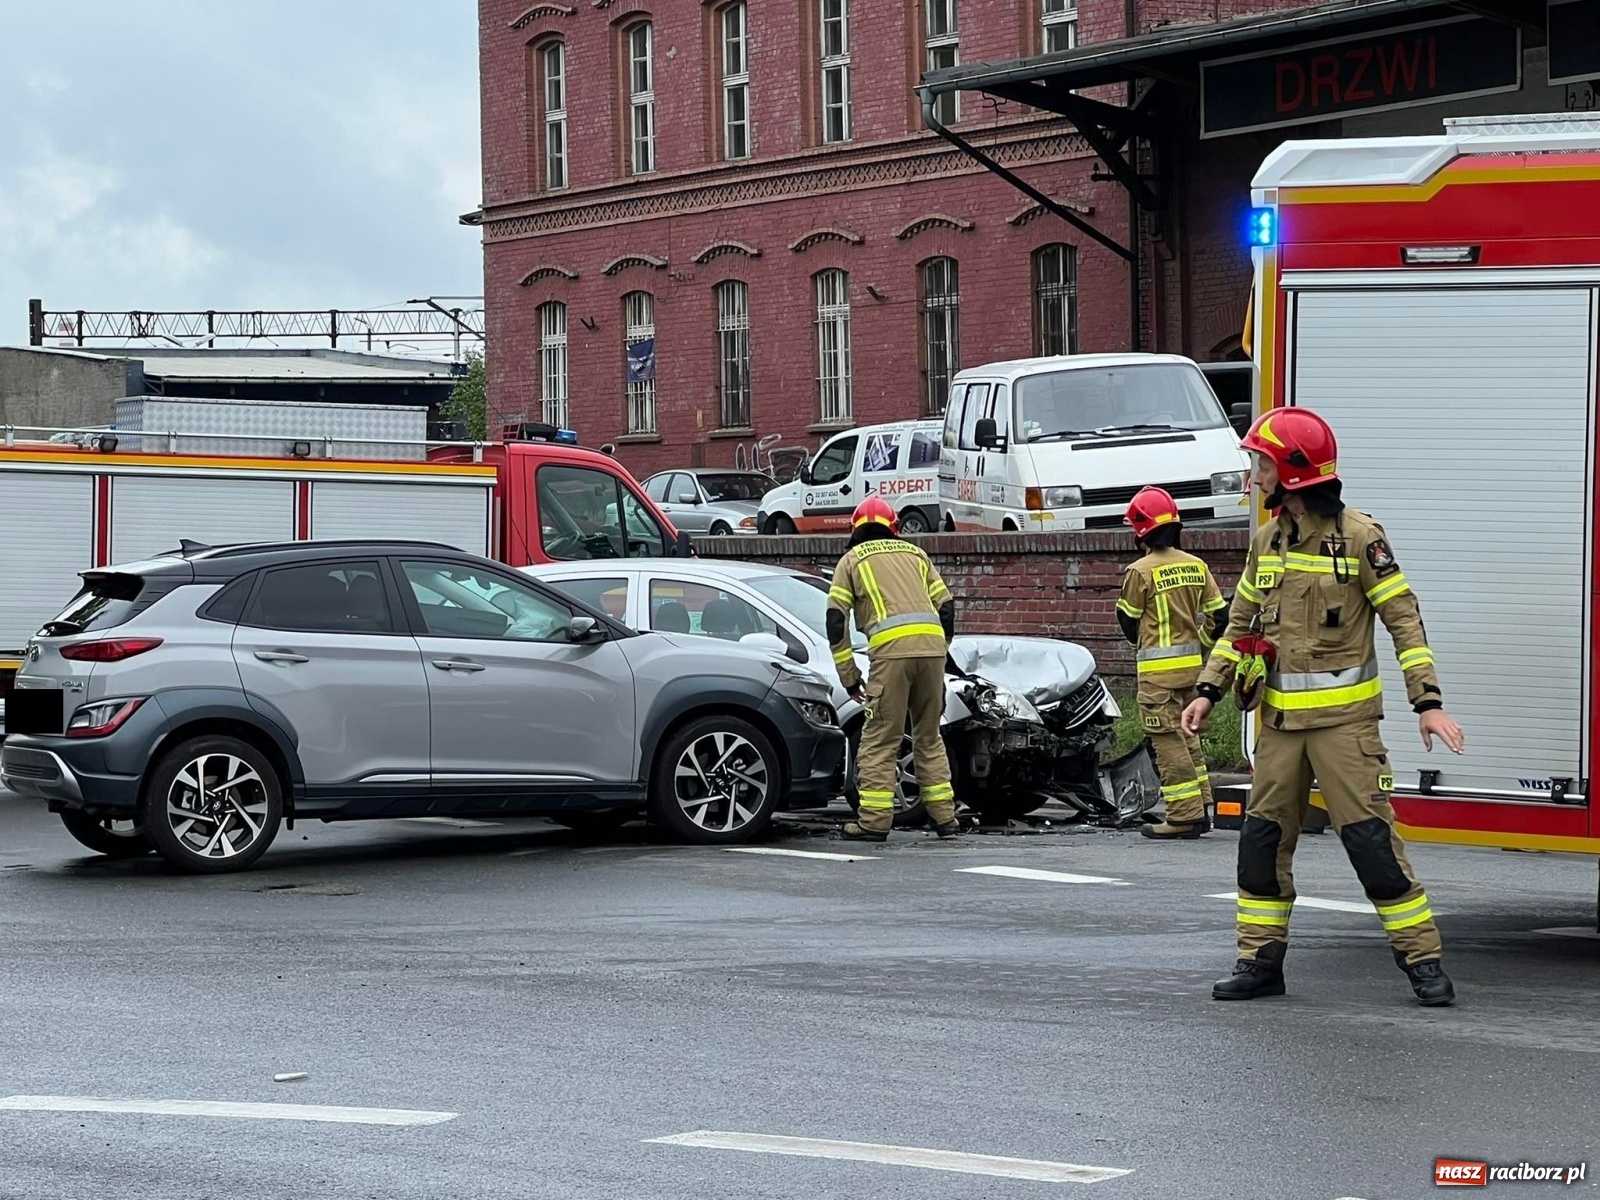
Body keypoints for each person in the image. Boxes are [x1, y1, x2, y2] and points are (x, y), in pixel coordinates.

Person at [1182, 407, 1466, 1007]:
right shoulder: (1268, 541)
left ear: (1288, 469)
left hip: (1345, 732)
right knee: (1261, 843)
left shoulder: (1361, 537)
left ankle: (1422, 960)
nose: (1253, 473)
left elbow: (1404, 620)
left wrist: (1429, 702)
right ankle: (1259, 962)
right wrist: (1208, 691)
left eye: (1259, 462)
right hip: (1280, 729)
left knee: (1370, 844)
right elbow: (1239, 625)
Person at [827, 495, 959, 842]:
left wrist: (849, 676)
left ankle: (873, 822)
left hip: (890, 656)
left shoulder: (852, 560)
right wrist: (940, 651)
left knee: (880, 740)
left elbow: (835, 620)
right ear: (894, 528)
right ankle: (945, 818)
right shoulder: (917, 555)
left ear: (855, 530)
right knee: (929, 737)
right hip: (932, 653)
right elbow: (946, 607)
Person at [1117, 487, 1229, 840]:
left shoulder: (1140, 571)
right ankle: (1202, 807)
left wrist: (1141, 643)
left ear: (1140, 530)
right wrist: (1203, 645)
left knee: (1166, 740)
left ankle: (1183, 816)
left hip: (1156, 676)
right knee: (1188, 736)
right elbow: (1220, 617)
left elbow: (1127, 618)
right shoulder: (1197, 566)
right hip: (1191, 670)